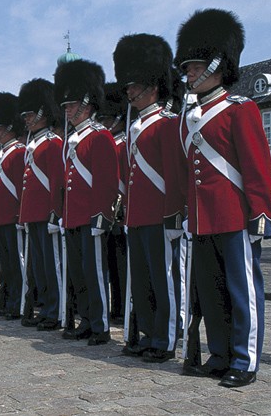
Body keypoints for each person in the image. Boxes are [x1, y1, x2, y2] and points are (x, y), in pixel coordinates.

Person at [175, 9, 271, 387]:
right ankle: (219, 355)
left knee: (242, 293)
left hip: (235, 218)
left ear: (216, 66)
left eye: (194, 66)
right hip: (201, 220)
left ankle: (244, 360)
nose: (187, 74)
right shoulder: (190, 117)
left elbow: (257, 168)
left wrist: (260, 216)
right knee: (213, 294)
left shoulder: (240, 110)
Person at [113, 34, 186, 363]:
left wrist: (173, 217)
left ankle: (165, 338)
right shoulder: (134, 127)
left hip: (160, 216)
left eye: (134, 86)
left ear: (152, 88)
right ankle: (146, 332)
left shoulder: (168, 124)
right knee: (141, 282)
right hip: (137, 217)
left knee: (163, 281)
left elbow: (173, 176)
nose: (129, 92)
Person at [54, 59, 119, 346]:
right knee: (79, 275)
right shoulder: (74, 140)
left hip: (92, 218)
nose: (67, 111)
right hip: (73, 217)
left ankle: (100, 324)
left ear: (86, 105)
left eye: (71, 106)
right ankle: (85, 319)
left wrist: (101, 216)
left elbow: (105, 182)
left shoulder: (99, 137)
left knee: (94, 275)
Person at [17, 78, 65, 330]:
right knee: (39, 267)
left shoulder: (53, 143)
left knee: (51, 265)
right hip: (33, 214)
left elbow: (56, 182)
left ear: (43, 113)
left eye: (30, 114)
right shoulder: (34, 144)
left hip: (47, 214)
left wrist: (55, 213)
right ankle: (46, 306)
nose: (26, 118)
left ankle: (55, 310)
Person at [0, 92, 26, 320]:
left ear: (11, 127)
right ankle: (8, 296)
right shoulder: (2, 154)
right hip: (1, 217)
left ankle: (17, 300)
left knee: (16, 262)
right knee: (6, 264)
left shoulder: (19, 152)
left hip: (13, 216)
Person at [98, 83, 128, 324]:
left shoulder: (124, 142)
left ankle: (122, 307)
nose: (104, 123)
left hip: (123, 212)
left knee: (122, 266)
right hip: (108, 212)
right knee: (111, 266)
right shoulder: (108, 143)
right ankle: (115, 306)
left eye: (108, 118)